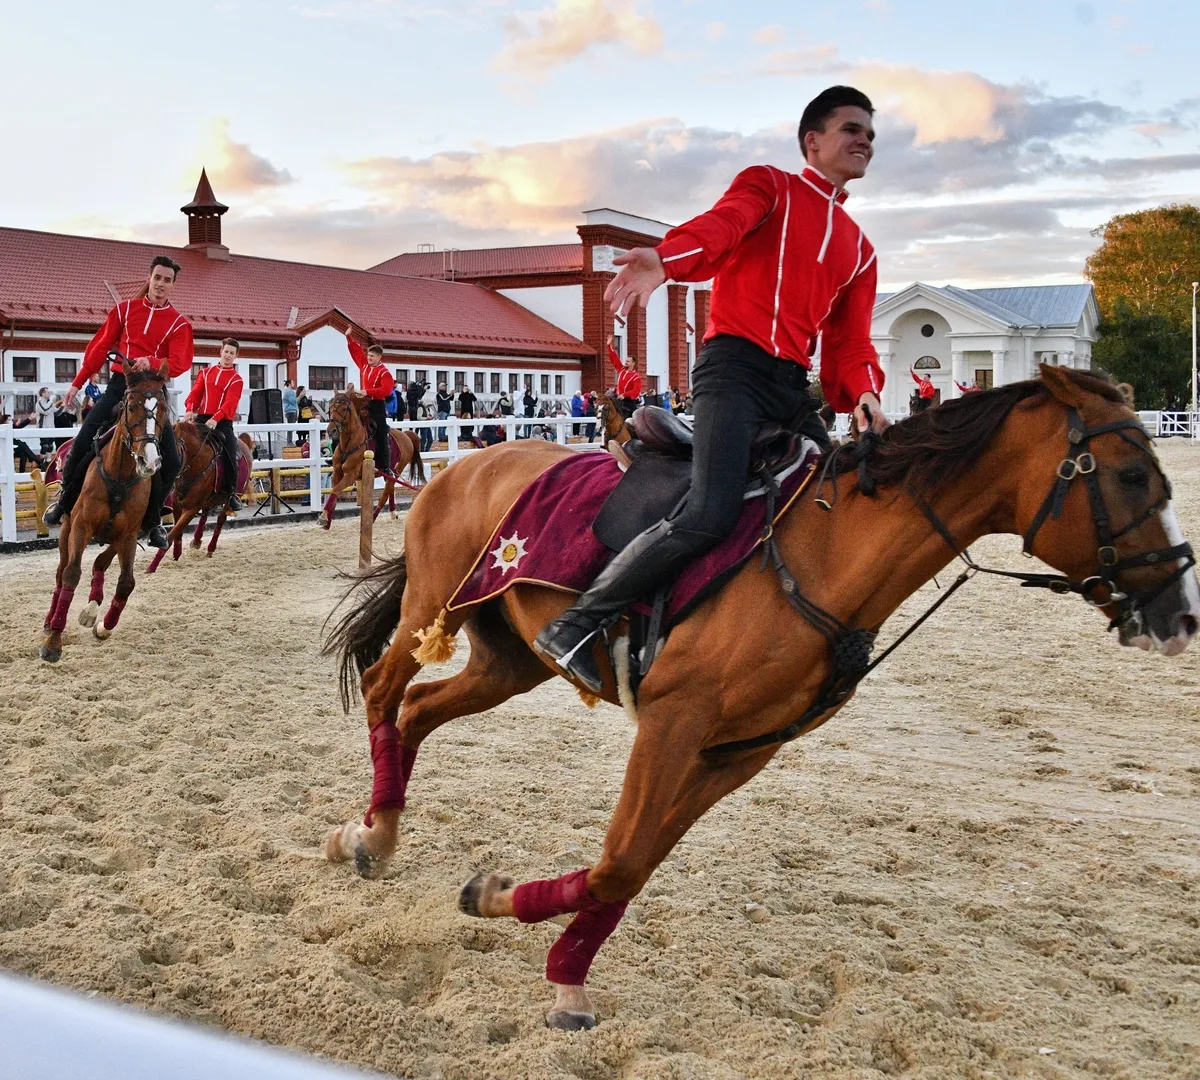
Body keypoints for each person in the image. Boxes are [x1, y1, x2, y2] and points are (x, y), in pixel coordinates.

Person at [535, 85, 889, 691]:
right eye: (852, 129)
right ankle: (575, 624)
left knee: (838, 504)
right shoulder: (770, 185)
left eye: (871, 136)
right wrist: (667, 260)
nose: (865, 141)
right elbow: (721, 230)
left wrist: (866, 392)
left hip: (790, 388)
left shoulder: (861, 250)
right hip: (732, 373)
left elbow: (852, 344)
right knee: (710, 511)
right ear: (813, 140)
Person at [43, 255, 192, 550]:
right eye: (157, 278)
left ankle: (153, 519)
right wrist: (77, 383)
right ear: (149, 278)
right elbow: (99, 349)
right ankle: (64, 501)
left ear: (173, 286)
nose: (161, 284)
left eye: (167, 280)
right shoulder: (124, 310)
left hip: (151, 392)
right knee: (84, 438)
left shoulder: (178, 324)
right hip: (117, 387)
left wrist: (151, 360)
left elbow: (179, 362)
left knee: (172, 460)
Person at [184, 338, 245, 511]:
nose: (228, 356)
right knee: (180, 444)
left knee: (230, 454)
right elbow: (195, 393)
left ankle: (231, 493)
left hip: (223, 423)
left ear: (236, 356)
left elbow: (230, 404)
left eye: (231, 353)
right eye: (226, 352)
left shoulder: (236, 379)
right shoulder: (205, 373)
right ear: (221, 352)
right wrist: (189, 409)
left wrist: (216, 419)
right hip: (202, 418)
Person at [344, 329, 394, 476]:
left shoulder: (385, 373)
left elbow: (386, 390)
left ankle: (386, 466)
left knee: (381, 432)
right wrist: (349, 338)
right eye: (368, 355)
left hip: (377, 405)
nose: (369, 358)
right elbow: (356, 352)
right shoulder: (365, 365)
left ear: (379, 357)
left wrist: (368, 392)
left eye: (372, 356)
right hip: (364, 403)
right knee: (347, 424)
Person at [407, 378, 430, 452]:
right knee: (415, 423)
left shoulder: (411, 390)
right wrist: (422, 388)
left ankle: (414, 434)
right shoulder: (413, 390)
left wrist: (422, 389)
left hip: (412, 408)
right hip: (413, 408)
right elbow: (418, 395)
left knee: (414, 423)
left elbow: (419, 395)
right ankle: (413, 435)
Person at [35, 388, 55, 453]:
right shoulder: (39, 402)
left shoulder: (49, 403)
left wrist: (64, 407)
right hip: (43, 427)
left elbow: (57, 412)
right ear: (43, 394)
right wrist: (51, 402)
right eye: (47, 392)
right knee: (45, 446)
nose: (49, 393)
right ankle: (41, 462)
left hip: (51, 427)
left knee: (50, 446)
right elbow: (45, 411)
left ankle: (48, 462)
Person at [282, 379, 299, 444]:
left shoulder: (290, 392)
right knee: (290, 426)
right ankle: (289, 441)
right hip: (290, 410)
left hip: (291, 410)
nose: (294, 384)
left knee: (291, 425)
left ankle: (290, 440)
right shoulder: (289, 392)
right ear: (289, 384)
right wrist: (299, 397)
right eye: (292, 383)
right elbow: (293, 401)